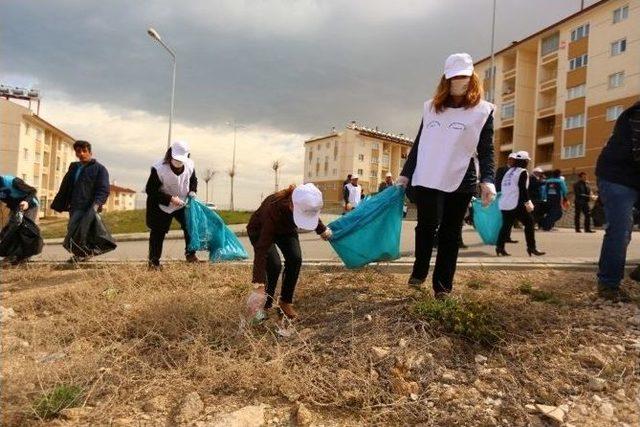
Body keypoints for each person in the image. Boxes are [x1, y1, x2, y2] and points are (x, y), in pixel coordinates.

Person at [397, 53, 496, 299]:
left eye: (464, 76)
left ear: (472, 77)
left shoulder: (483, 111)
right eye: (455, 77)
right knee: (427, 226)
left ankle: (442, 287)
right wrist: (405, 174)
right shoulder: (431, 108)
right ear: (446, 79)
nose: (459, 81)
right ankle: (419, 271)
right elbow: (420, 143)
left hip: (461, 177)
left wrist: (488, 180)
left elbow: (486, 149)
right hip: (428, 174)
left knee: (451, 233)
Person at [247, 183, 332, 319]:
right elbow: (262, 250)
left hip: (286, 229)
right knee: (274, 265)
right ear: (292, 205)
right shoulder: (273, 208)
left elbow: (311, 213)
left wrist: (322, 230)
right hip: (260, 230)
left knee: (295, 258)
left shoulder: (304, 199)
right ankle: (264, 305)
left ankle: (285, 302)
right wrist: (258, 284)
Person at [595, 101, 640, 299]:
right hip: (617, 176)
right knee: (621, 230)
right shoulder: (638, 113)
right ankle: (608, 285)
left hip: (635, 176)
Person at [51, 140, 110, 262]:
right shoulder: (74, 168)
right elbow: (65, 187)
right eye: (78, 151)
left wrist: (97, 204)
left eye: (84, 151)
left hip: (89, 206)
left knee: (77, 230)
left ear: (90, 152)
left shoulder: (99, 169)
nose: (81, 153)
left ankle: (81, 255)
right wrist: (60, 203)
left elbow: (103, 189)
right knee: (77, 231)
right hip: (74, 206)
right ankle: (83, 254)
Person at [145, 141, 199, 269]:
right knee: (158, 232)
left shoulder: (190, 165)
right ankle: (154, 263)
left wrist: (192, 191)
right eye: (175, 159)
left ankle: (190, 254)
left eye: (181, 160)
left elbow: (193, 180)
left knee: (190, 226)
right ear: (170, 155)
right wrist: (169, 198)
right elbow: (150, 190)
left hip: (182, 202)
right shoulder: (159, 168)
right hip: (162, 204)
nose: (178, 163)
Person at [495, 151, 545, 257]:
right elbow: (522, 189)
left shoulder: (509, 172)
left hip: (505, 203)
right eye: (527, 160)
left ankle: (499, 247)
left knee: (506, 226)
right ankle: (531, 248)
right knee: (529, 223)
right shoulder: (522, 172)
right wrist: (528, 203)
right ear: (524, 161)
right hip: (516, 203)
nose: (528, 162)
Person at [0, 175, 39, 264]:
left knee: (25, 230)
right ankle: (11, 256)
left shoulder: (13, 181)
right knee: (10, 230)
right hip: (15, 207)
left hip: (30, 205)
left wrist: (26, 201)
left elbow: (33, 190)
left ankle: (25, 257)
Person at [495, 152, 519, 243]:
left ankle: (507, 237)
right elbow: (497, 181)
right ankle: (501, 237)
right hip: (503, 196)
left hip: (512, 197)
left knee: (510, 218)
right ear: (508, 160)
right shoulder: (501, 169)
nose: (512, 161)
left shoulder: (516, 171)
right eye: (511, 159)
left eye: (514, 160)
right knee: (503, 218)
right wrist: (498, 193)